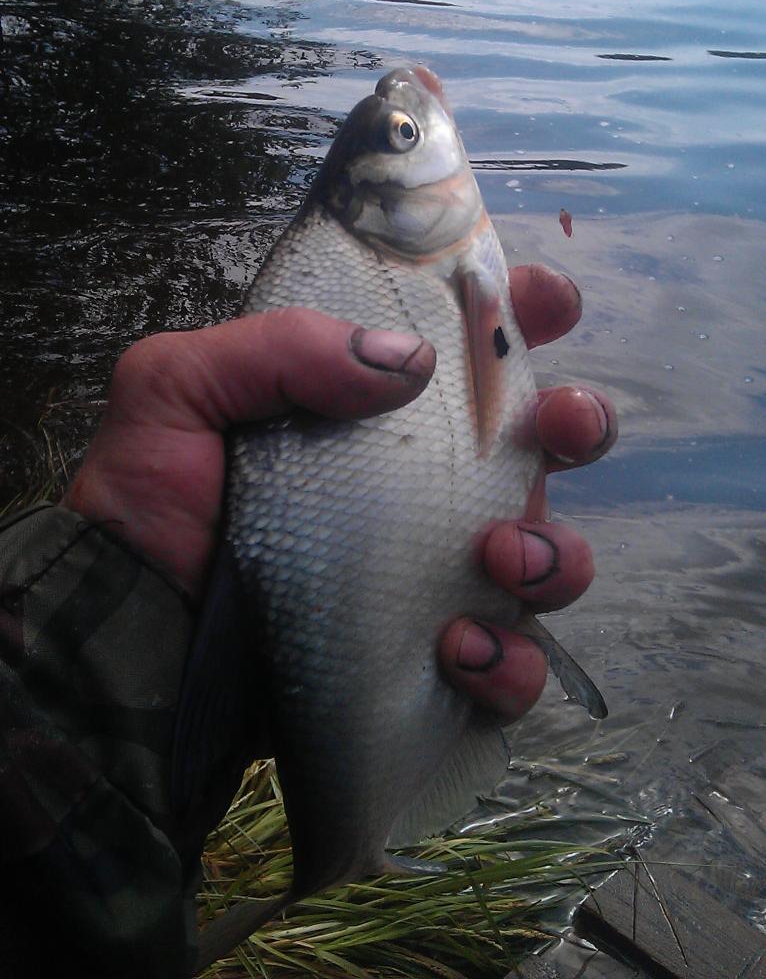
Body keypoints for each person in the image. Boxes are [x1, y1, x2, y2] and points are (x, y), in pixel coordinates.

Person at [0, 264, 616, 978]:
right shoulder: (420, 268)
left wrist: (140, 621)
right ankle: (344, 854)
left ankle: (342, 852)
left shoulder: (448, 275)